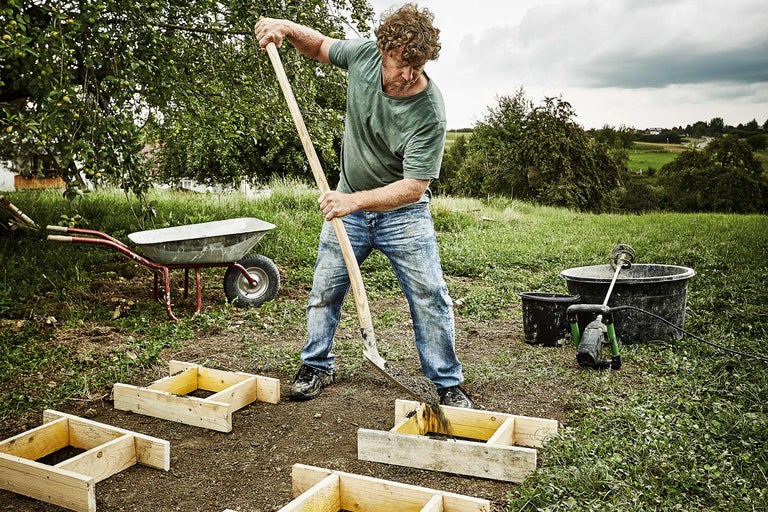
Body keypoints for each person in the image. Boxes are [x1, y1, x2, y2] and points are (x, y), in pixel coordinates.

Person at [254, 3, 473, 408]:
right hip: (348, 206)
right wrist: (285, 27)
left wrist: (352, 201)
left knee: (430, 295)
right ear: (383, 51)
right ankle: (316, 365)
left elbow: (414, 187)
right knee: (324, 289)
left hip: (402, 215)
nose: (409, 75)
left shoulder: (429, 111)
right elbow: (319, 46)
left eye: (418, 66)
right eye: (401, 64)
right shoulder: (363, 56)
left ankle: (446, 382)